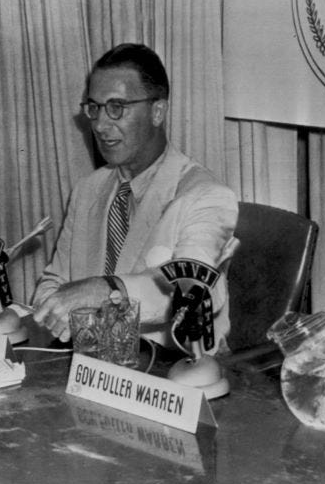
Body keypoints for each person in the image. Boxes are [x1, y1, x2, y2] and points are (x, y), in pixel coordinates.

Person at [32, 44, 238, 354]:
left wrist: (105, 290)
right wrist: (46, 312)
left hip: (171, 371)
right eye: (94, 108)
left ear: (158, 111)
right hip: (93, 365)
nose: (101, 125)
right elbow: (55, 281)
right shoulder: (88, 189)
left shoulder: (206, 196)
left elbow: (191, 291)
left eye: (117, 107)